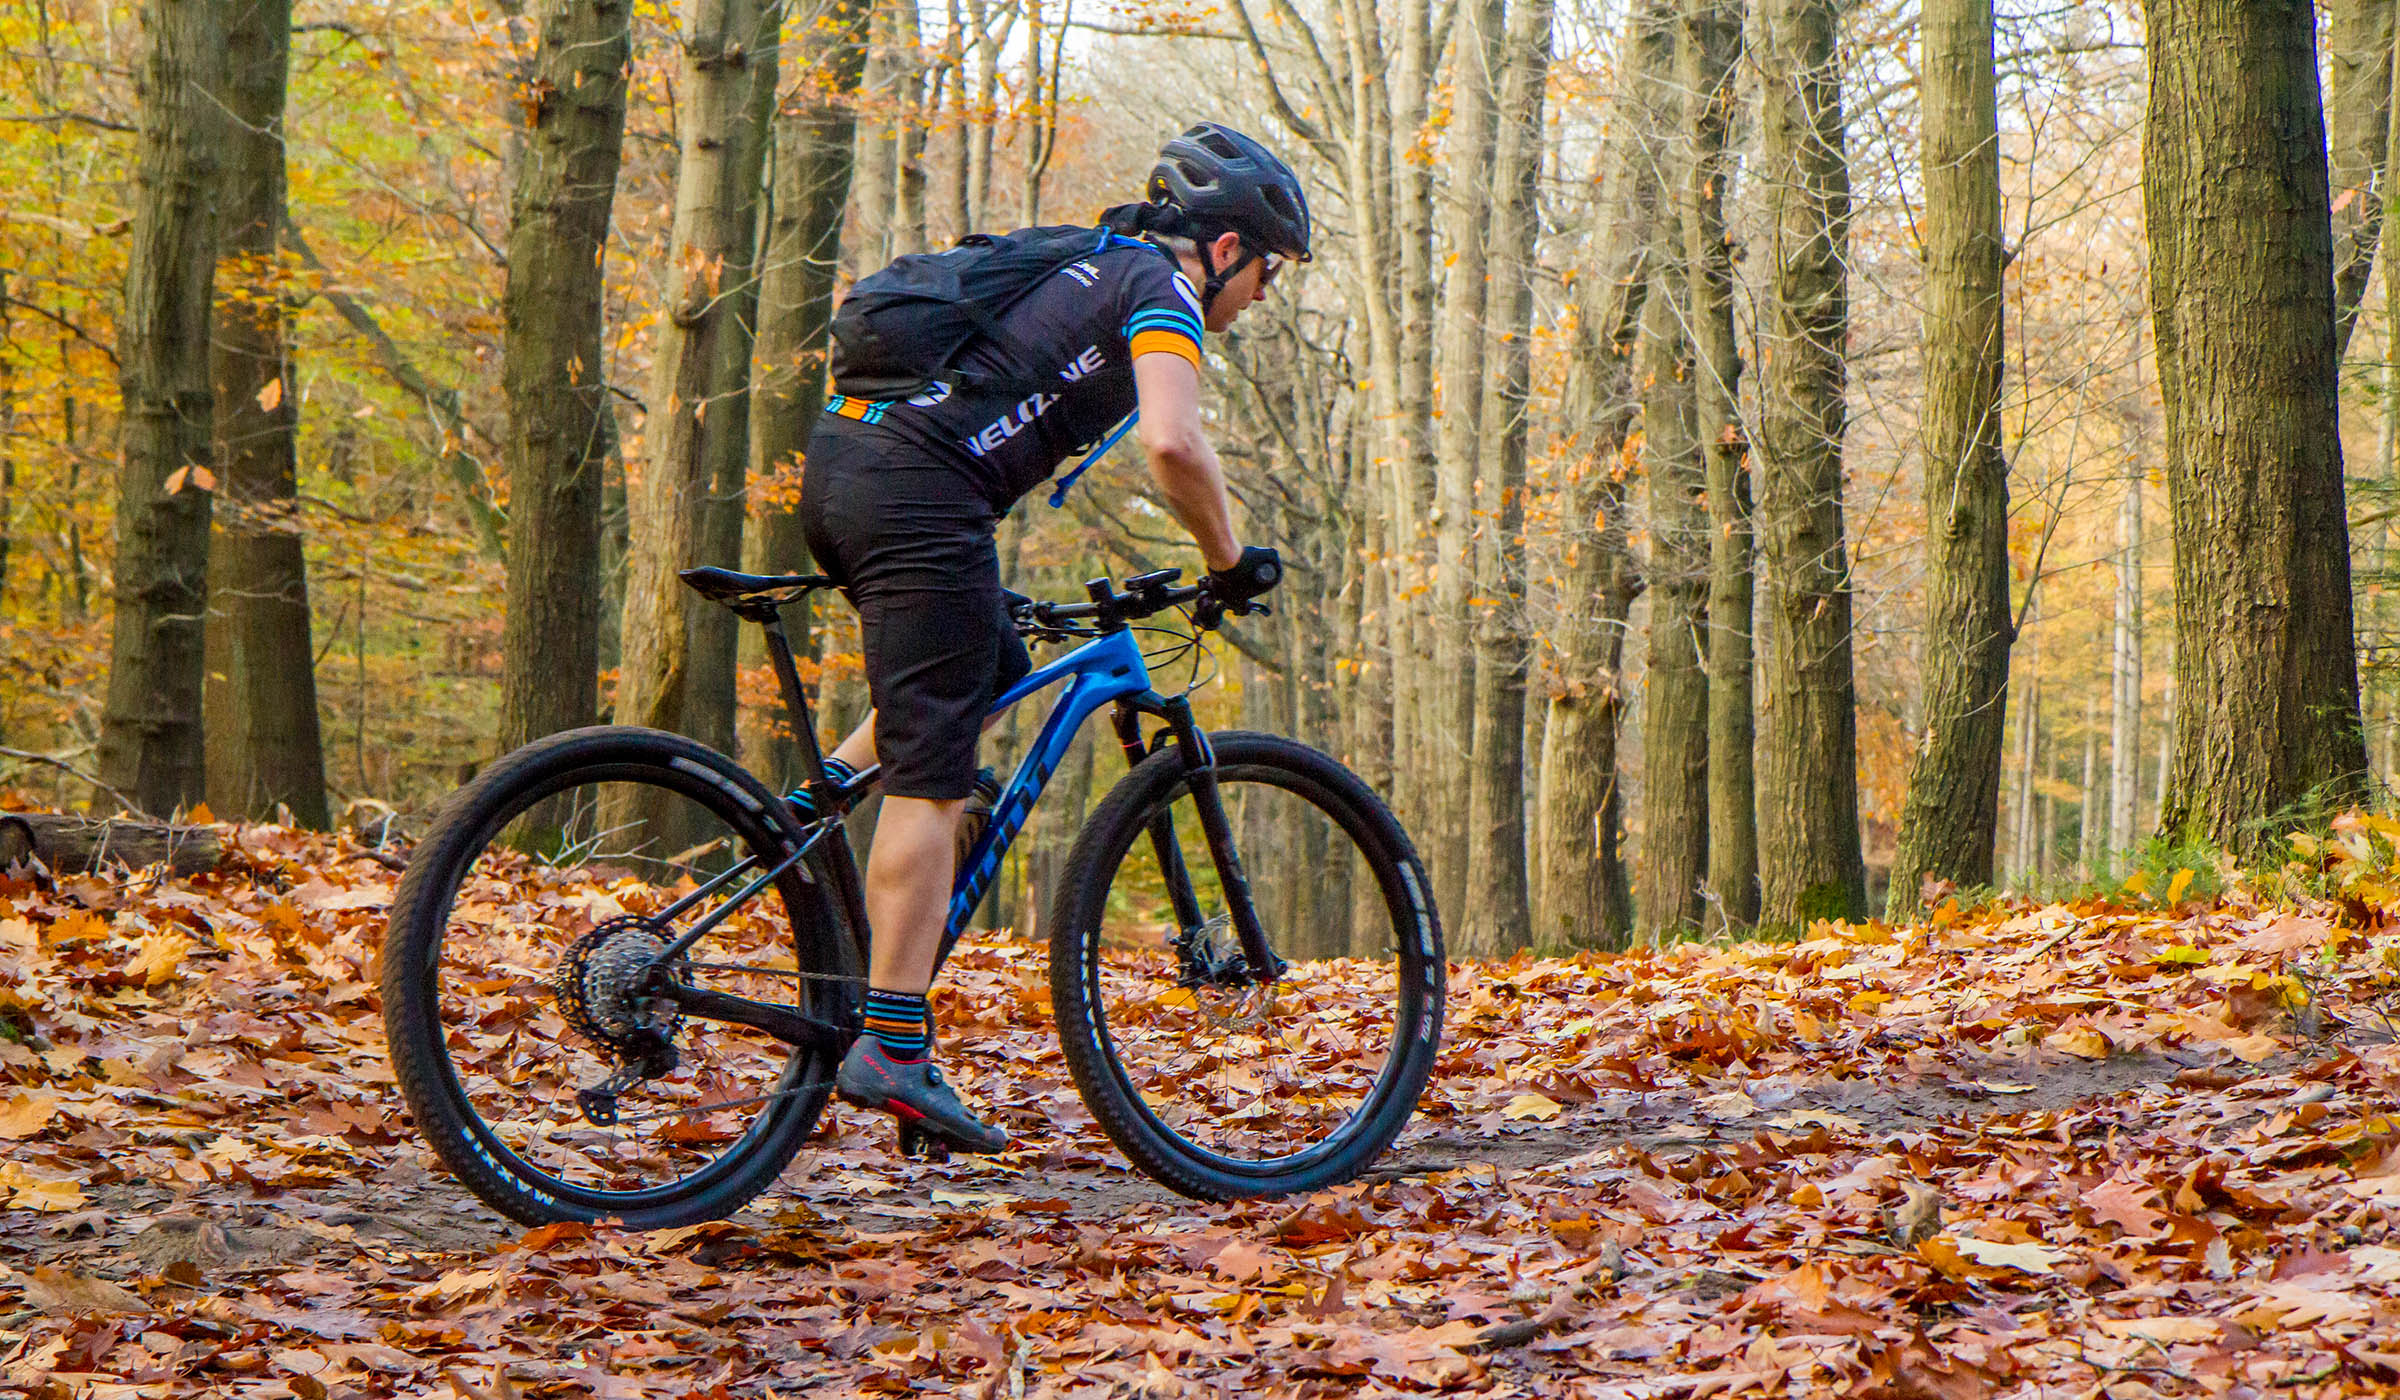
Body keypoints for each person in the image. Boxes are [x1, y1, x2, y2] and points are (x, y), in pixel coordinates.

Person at [798, 124, 1311, 1152]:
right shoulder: (1160, 290)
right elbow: (1173, 441)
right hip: (920, 494)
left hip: (852, 466)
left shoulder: (1094, 262)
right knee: (936, 776)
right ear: (1224, 249)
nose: (1263, 295)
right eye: (1269, 271)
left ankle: (806, 809)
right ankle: (892, 1044)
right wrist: (1226, 559)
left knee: (992, 662)